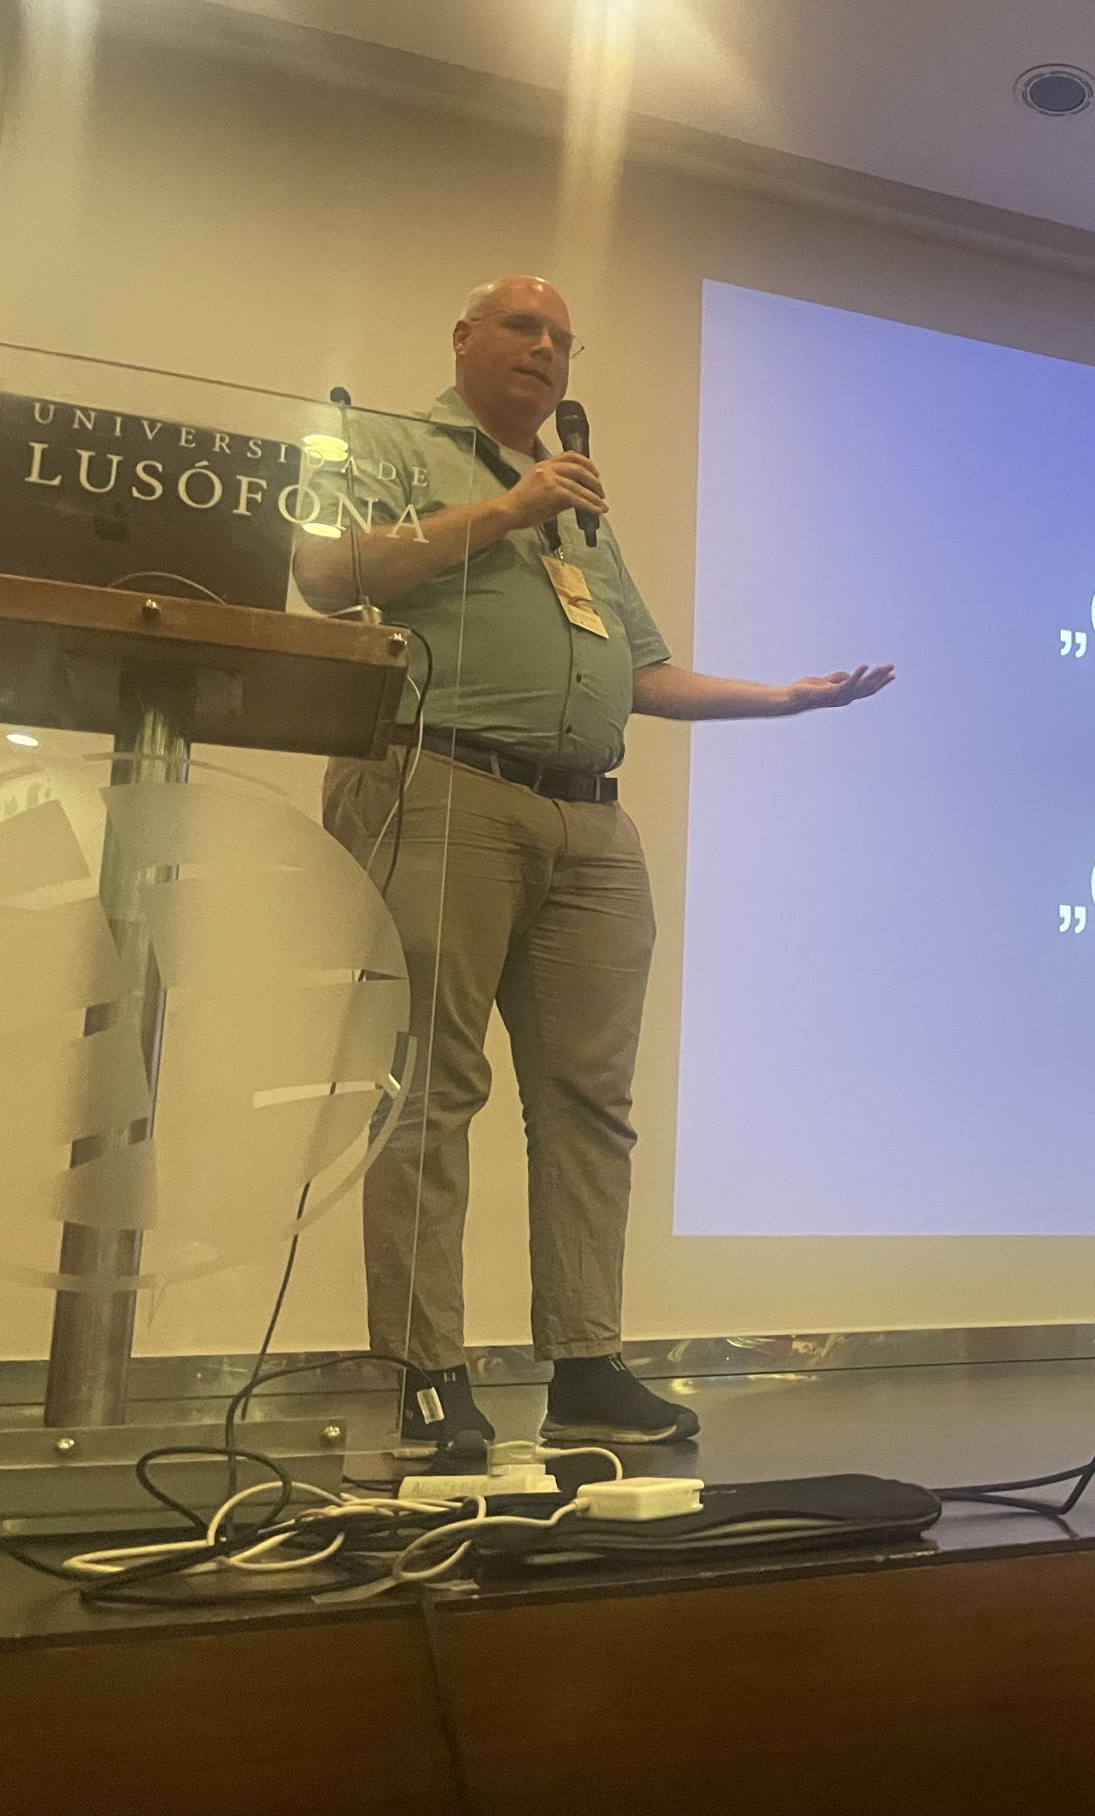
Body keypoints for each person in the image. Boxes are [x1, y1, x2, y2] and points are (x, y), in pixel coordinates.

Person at [297, 276, 892, 1450]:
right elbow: (327, 575)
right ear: (463, 337)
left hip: (589, 822)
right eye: (524, 328)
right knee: (432, 1093)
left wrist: (783, 699)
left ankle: (585, 1364)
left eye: (564, 340)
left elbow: (643, 670)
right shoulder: (396, 445)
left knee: (589, 1105)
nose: (547, 350)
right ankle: (426, 1373)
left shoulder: (578, 508)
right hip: (442, 780)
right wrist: (508, 509)